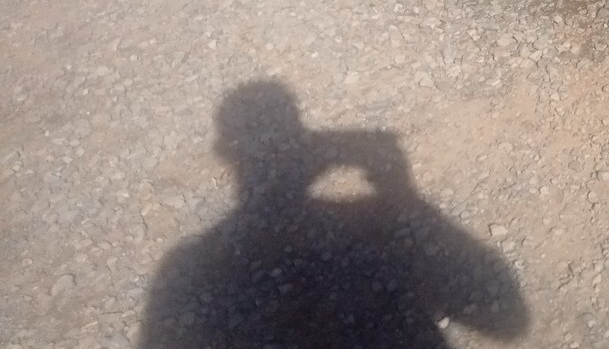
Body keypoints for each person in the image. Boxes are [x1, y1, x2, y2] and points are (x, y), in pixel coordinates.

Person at [138, 81, 529, 349]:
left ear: (226, 150)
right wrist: (401, 193)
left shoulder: (187, 265)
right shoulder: (190, 264)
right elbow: (509, 321)